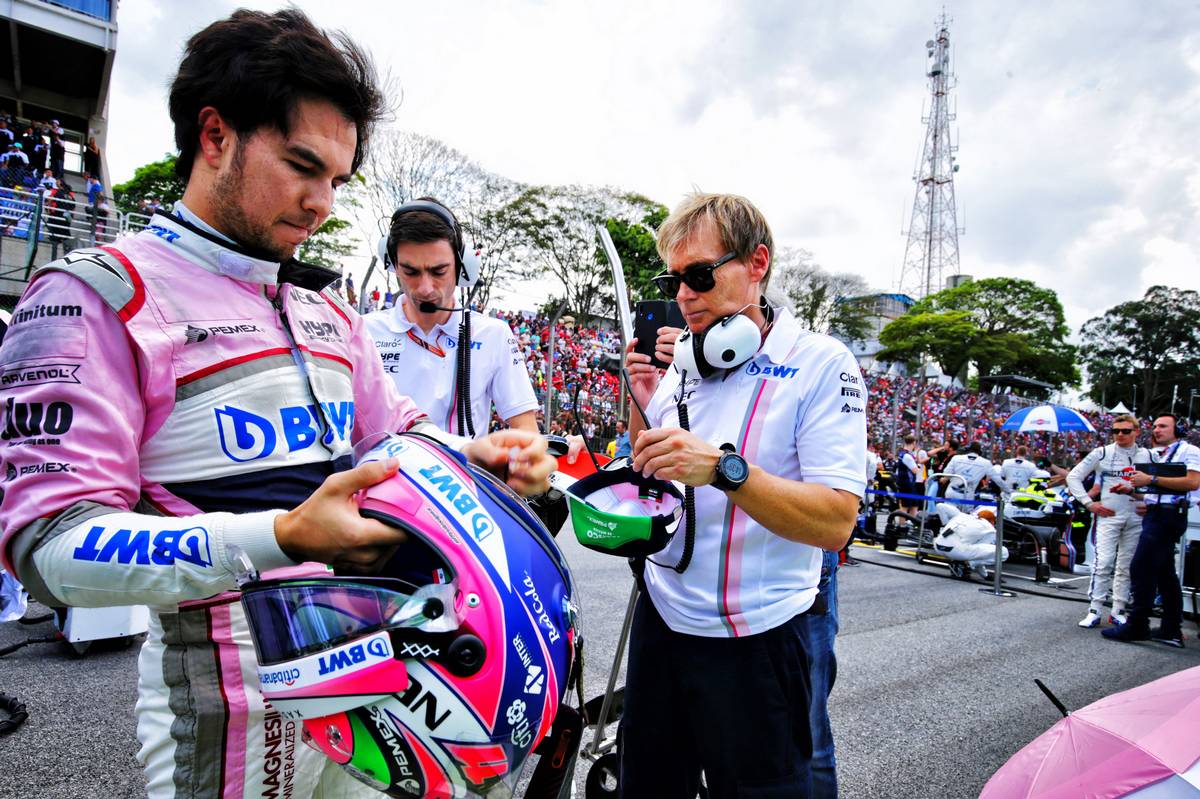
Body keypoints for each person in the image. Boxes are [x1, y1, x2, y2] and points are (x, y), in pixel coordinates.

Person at [0, 10, 554, 799]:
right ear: (216, 135)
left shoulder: (327, 310)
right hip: (227, 719)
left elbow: (395, 433)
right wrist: (283, 534)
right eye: (303, 166)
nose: (323, 201)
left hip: (369, 687)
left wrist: (479, 454)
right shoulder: (97, 295)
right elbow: (47, 550)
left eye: (338, 179)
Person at [623, 192, 866, 797]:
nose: (684, 294)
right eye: (674, 279)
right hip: (664, 619)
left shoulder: (821, 363)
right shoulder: (684, 356)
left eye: (700, 275)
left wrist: (727, 472)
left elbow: (837, 523)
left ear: (757, 263)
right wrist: (642, 398)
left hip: (756, 638)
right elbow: (649, 465)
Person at [364, 197, 539, 438]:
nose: (425, 288)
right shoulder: (364, 331)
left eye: (439, 271)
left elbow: (526, 429)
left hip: (462, 474)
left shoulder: (492, 335)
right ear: (393, 264)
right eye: (410, 271)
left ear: (463, 266)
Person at [1104, 415, 1200, 647]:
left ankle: (1138, 624)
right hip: (1156, 513)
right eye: (1155, 426)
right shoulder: (1161, 454)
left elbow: (1192, 482)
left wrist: (1151, 478)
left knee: (1140, 567)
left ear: (1177, 429)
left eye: (1162, 426)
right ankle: (1170, 629)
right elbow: (1156, 491)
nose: (1156, 430)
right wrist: (1130, 490)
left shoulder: (1190, 451)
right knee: (1165, 574)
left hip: (1168, 516)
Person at [1067, 414, 1148, 627]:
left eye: (1126, 431)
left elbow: (1157, 486)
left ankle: (1118, 609)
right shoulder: (1101, 452)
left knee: (1126, 566)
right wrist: (1089, 503)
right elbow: (1073, 477)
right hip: (1108, 516)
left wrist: (1150, 503)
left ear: (1136, 432)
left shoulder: (1148, 455)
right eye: (1116, 431)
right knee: (1103, 563)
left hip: (1136, 517)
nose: (1120, 435)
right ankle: (1094, 609)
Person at [933, 503, 1004, 580]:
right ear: (992, 521)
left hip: (938, 546)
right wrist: (984, 575)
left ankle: (960, 563)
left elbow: (940, 505)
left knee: (963, 546)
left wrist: (945, 524)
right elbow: (979, 554)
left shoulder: (961, 516)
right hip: (955, 551)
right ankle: (965, 564)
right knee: (1003, 552)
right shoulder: (990, 529)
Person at [941, 441, 994, 506]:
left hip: (952, 492)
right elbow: (993, 479)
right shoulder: (986, 463)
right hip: (967, 495)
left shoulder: (956, 458)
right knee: (964, 515)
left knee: (948, 513)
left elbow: (946, 474)